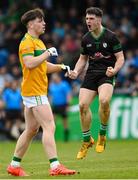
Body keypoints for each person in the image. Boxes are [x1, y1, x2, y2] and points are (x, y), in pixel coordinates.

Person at [7, 8, 76, 176]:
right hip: (35, 92)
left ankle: (14, 165)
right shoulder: (26, 42)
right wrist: (47, 53)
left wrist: (62, 67)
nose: (44, 23)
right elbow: (29, 63)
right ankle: (55, 166)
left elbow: (42, 67)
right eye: (40, 21)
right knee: (49, 126)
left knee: (31, 129)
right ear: (31, 24)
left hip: (34, 91)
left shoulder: (38, 42)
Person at [69, 7, 124, 159]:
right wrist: (76, 71)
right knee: (82, 106)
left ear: (99, 20)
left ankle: (102, 135)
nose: (88, 21)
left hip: (107, 73)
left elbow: (120, 58)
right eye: (87, 19)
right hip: (91, 74)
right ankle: (87, 140)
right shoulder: (86, 38)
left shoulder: (111, 37)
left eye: (91, 19)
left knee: (104, 100)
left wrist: (115, 70)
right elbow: (82, 59)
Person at [49, 73, 72, 142]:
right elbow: (50, 96)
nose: (53, 78)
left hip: (63, 105)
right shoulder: (52, 86)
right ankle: (52, 138)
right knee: (53, 122)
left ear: (58, 77)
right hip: (55, 106)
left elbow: (68, 95)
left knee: (65, 122)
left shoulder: (64, 84)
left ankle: (66, 138)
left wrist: (68, 105)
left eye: (54, 77)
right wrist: (49, 105)